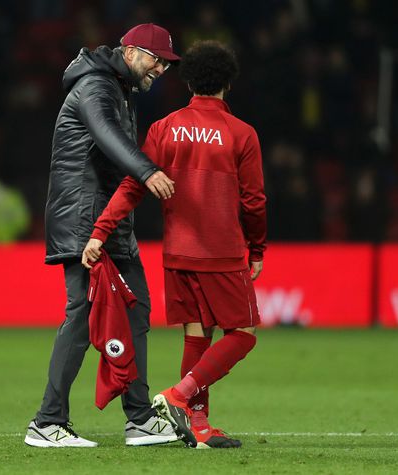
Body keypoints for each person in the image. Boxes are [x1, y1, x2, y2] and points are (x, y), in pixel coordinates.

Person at [83, 40, 266, 449]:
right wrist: (256, 249)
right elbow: (254, 201)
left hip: (178, 252)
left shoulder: (164, 128)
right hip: (220, 251)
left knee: (197, 337)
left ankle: (198, 427)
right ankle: (180, 396)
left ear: (188, 82)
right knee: (244, 334)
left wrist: (100, 231)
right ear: (228, 84)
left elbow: (133, 184)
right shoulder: (242, 134)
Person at [24, 23, 179, 448]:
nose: (161, 68)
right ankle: (47, 421)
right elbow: (108, 139)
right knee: (83, 311)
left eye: (166, 62)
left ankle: (141, 419)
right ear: (130, 52)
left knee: (135, 310)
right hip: (83, 219)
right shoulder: (95, 85)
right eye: (156, 59)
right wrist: (148, 171)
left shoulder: (116, 87)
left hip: (108, 220)